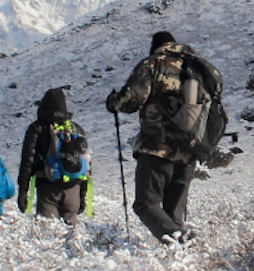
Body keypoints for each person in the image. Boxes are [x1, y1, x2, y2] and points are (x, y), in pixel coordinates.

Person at [106, 31, 216, 243]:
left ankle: (185, 240)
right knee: (173, 214)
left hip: (158, 146)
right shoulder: (194, 68)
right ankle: (181, 258)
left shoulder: (153, 63)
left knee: (146, 204)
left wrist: (114, 101)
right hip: (189, 151)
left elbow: (130, 100)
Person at [18, 87, 92, 224]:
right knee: (71, 236)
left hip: (47, 186)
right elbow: (86, 162)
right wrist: (82, 196)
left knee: (49, 233)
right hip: (73, 187)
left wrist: (23, 191)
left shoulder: (37, 128)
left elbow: (27, 161)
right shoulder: (76, 128)